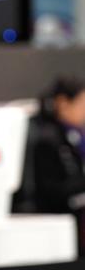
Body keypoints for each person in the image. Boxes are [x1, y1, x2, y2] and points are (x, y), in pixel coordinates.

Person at [30, 77, 85, 215]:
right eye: (82, 104)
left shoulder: (77, 136)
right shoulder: (48, 139)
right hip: (59, 214)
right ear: (63, 103)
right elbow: (52, 191)